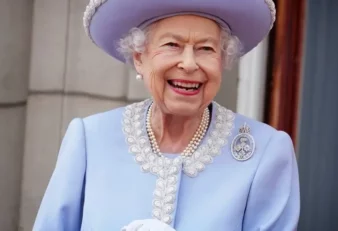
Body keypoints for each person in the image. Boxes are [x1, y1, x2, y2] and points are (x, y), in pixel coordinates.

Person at [33, 0, 300, 230]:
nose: (189, 63)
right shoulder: (90, 140)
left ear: (222, 61)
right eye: (172, 45)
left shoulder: (266, 153)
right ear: (139, 57)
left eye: (206, 48)